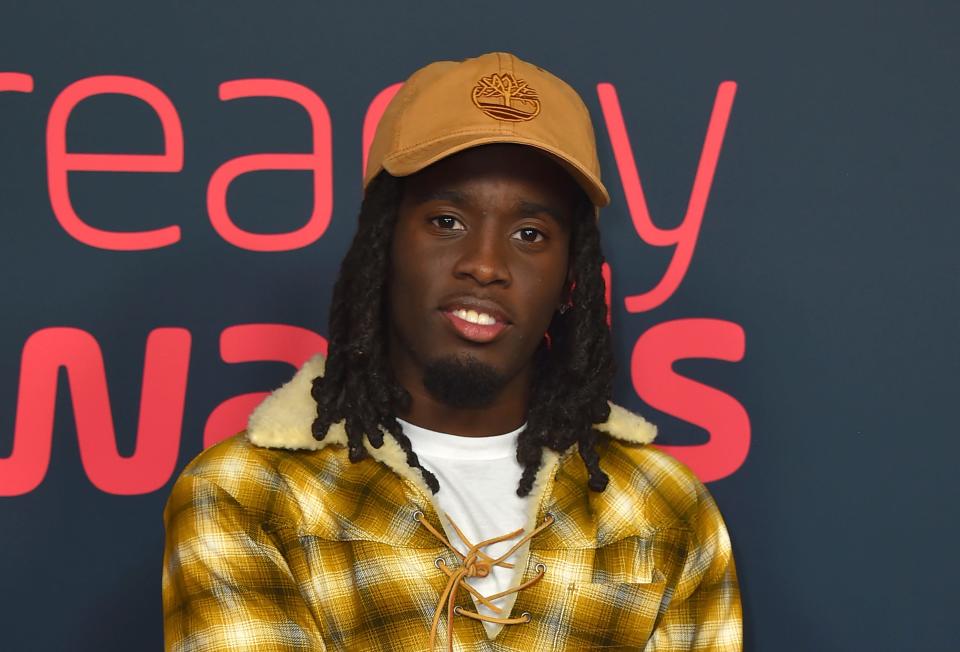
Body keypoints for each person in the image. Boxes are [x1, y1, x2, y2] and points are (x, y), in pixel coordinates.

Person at [162, 51, 742, 651]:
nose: (486, 265)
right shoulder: (248, 496)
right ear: (382, 246)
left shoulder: (663, 509)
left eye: (530, 235)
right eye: (446, 221)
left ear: (571, 277)